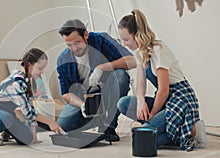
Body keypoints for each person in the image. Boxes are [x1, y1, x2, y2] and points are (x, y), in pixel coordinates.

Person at [117, 9, 207, 151]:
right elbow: (141, 83)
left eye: (126, 39)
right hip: (165, 102)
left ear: (138, 34)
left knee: (142, 139)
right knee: (123, 103)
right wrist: (141, 102)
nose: (124, 44)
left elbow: (164, 90)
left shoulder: (158, 49)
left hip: (181, 100)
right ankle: (177, 127)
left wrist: (152, 115)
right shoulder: (140, 53)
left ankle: (194, 130)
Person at [56, 19, 136, 141]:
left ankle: (109, 126)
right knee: (64, 125)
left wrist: (102, 67)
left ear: (86, 35)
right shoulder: (63, 60)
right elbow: (66, 93)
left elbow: (132, 61)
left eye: (77, 43)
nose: (74, 48)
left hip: (106, 91)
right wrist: (82, 104)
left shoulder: (101, 40)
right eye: (69, 45)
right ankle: (96, 119)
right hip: (83, 98)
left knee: (120, 76)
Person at [0, 48, 65, 146]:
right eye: (40, 68)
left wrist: (33, 136)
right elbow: (28, 113)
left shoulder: (27, 81)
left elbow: (29, 108)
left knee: (26, 139)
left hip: (8, 114)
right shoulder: (16, 83)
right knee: (6, 118)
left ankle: (5, 130)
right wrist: (50, 122)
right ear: (29, 65)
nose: (42, 72)